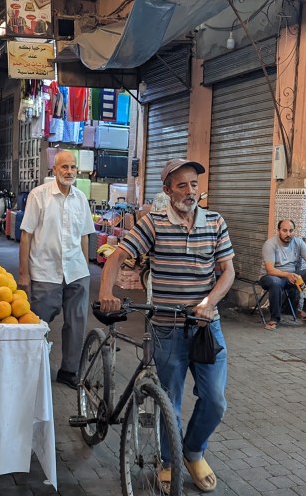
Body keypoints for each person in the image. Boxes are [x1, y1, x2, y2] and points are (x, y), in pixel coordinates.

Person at [99, 158, 234, 493]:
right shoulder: (153, 224)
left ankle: (192, 451)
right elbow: (116, 257)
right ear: (168, 190)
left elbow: (228, 271)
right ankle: (170, 461)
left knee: (215, 400)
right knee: (169, 401)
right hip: (166, 325)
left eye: (193, 185)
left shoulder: (215, 222)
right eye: (182, 185)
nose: (190, 191)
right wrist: (106, 291)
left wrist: (208, 303)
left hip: (205, 326)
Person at [19, 151, 95, 389]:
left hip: (76, 272)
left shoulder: (81, 198)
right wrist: (24, 273)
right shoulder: (38, 196)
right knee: (39, 323)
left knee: (77, 323)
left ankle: (68, 370)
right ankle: (32, 368)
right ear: (54, 169)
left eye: (73, 167)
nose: (69, 171)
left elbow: (84, 235)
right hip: (45, 271)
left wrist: (84, 266)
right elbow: (26, 235)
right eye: (64, 167)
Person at [259, 219, 306, 330]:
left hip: (291, 276)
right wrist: (287, 275)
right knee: (275, 282)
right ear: (278, 231)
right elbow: (270, 270)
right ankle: (274, 319)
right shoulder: (270, 244)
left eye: (291, 231)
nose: (288, 234)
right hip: (271, 277)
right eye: (284, 231)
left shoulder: (298, 242)